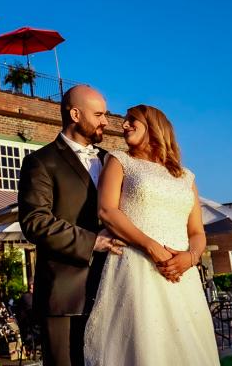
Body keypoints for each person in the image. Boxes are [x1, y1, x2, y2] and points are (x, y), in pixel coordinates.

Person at [83, 105, 220, 365]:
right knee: (145, 347)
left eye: (131, 120)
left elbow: (197, 232)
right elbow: (107, 211)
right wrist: (151, 246)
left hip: (181, 276)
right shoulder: (119, 160)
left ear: (155, 126)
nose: (123, 126)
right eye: (124, 121)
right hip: (137, 268)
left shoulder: (186, 176)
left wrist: (190, 259)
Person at [18, 85, 125, 366]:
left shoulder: (111, 161)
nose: (106, 122)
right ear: (75, 114)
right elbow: (35, 221)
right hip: (65, 295)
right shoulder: (40, 162)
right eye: (99, 114)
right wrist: (94, 241)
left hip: (115, 287)